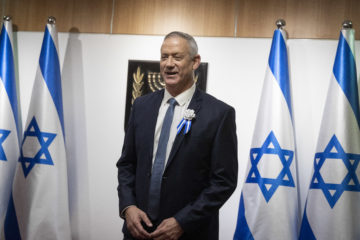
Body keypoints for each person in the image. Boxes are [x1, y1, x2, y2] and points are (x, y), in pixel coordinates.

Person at [117, 31, 238, 240]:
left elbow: (223, 181)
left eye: (177, 57)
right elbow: (127, 165)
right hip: (138, 232)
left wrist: (183, 221)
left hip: (189, 233)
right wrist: (128, 207)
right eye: (164, 57)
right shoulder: (141, 106)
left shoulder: (219, 114)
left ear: (195, 61)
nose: (168, 64)